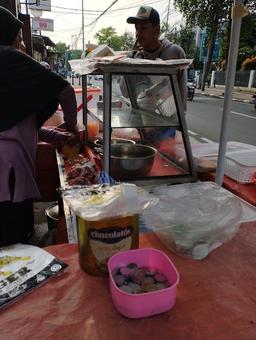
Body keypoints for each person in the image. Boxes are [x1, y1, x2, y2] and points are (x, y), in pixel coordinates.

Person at [0, 6, 79, 246]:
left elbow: (13, 124)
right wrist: (72, 127)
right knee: (13, 237)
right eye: (20, 39)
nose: (23, 46)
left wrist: (53, 135)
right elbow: (65, 90)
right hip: (7, 170)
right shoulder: (10, 58)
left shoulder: (8, 76)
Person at [126, 6, 187, 143]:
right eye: (136, 29)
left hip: (166, 124)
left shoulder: (175, 53)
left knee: (164, 160)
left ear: (157, 29)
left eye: (143, 28)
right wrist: (129, 61)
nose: (138, 34)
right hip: (141, 122)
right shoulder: (136, 57)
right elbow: (126, 92)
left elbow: (181, 95)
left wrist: (179, 124)